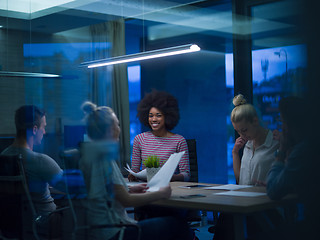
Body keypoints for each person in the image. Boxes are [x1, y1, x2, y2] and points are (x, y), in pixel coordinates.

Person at [80, 101, 193, 240]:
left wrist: (129, 189)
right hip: (114, 232)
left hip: (99, 229)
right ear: (110, 129)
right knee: (178, 225)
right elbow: (126, 200)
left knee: (169, 218)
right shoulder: (104, 158)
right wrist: (160, 194)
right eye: (117, 124)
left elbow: (105, 191)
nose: (119, 129)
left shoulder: (90, 154)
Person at [0, 105, 64, 237]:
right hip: (43, 224)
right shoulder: (39, 161)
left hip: (12, 226)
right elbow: (69, 186)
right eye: (43, 127)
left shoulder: (3, 157)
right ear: (35, 130)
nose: (44, 132)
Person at [267, 96, 319, 240]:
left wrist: (281, 151)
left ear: (289, 124)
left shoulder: (303, 151)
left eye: (282, 122)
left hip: (310, 227)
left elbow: (273, 191)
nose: (281, 127)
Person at [128, 90, 190, 182]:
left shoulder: (179, 141)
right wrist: (132, 175)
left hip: (170, 188)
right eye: (150, 116)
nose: (154, 119)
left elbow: (186, 175)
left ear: (167, 116)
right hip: (146, 187)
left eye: (158, 115)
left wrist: (171, 178)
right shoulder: (139, 139)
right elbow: (135, 170)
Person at [231, 94, 279, 185]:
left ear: (255, 121)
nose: (242, 135)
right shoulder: (248, 145)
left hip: (265, 198)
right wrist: (235, 153)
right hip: (245, 198)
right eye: (238, 131)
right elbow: (240, 180)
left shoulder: (275, 143)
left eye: (244, 130)